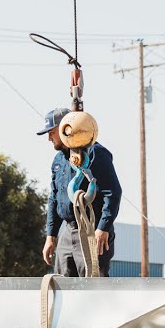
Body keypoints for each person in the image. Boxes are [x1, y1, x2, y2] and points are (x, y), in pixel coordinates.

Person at [39, 107, 121, 276]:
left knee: (92, 284)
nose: (49, 138)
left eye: (51, 132)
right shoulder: (59, 160)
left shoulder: (96, 154)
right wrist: (50, 236)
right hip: (68, 232)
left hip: (92, 230)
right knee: (62, 283)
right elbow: (54, 198)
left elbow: (112, 192)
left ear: (66, 128)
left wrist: (103, 228)